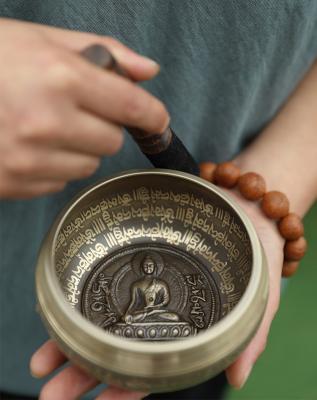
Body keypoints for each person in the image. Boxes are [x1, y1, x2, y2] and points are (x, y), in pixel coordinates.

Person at [0, 1, 317, 399]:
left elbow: (159, 311)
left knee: (166, 323)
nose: (150, 267)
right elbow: (134, 310)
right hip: (10, 268)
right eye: (147, 264)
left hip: (239, 185)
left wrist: (279, 173)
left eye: (151, 264)